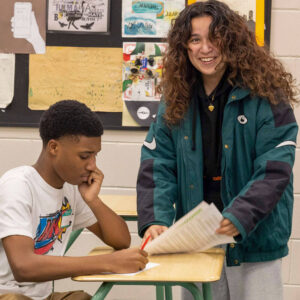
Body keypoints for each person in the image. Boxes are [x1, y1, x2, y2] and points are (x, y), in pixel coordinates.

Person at [136, 1, 298, 300]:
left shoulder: (268, 97)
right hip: (197, 241)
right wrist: (156, 220)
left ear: (232, 41)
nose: (205, 48)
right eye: (195, 40)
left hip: (254, 242)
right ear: (185, 47)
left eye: (214, 38)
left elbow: (274, 169)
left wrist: (238, 216)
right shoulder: (175, 100)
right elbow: (158, 163)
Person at [0, 100, 148, 300]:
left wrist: (93, 200)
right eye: (85, 156)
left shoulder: (70, 188)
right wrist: (108, 262)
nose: (92, 165)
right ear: (54, 148)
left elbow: (121, 240)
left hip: (40, 298)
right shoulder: (18, 185)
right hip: (8, 295)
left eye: (95, 156)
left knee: (81, 298)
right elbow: (23, 267)